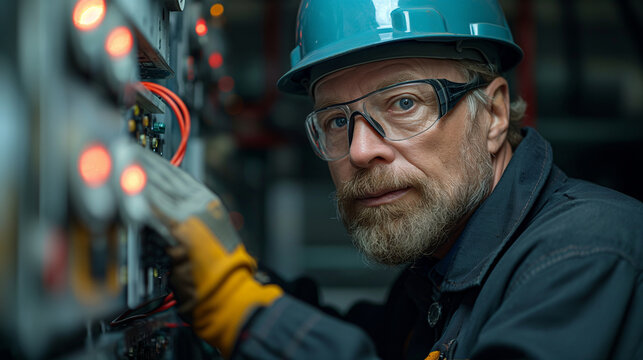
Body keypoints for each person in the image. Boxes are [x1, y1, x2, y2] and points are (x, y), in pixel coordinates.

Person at [124, 0, 643, 359]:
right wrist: (223, 272)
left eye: (403, 103)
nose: (361, 150)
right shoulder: (447, 267)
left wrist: (241, 309)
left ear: (496, 114)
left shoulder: (586, 253)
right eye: (336, 120)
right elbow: (372, 343)